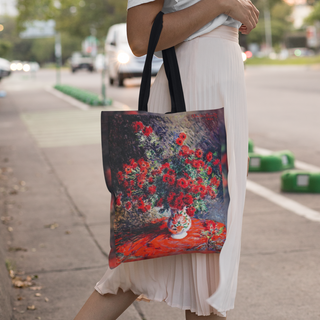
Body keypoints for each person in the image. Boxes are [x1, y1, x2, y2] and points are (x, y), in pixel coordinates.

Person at [74, 0, 259, 319]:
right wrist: (221, 4)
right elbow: (140, 38)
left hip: (220, 83)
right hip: (196, 90)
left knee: (194, 250)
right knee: (206, 245)